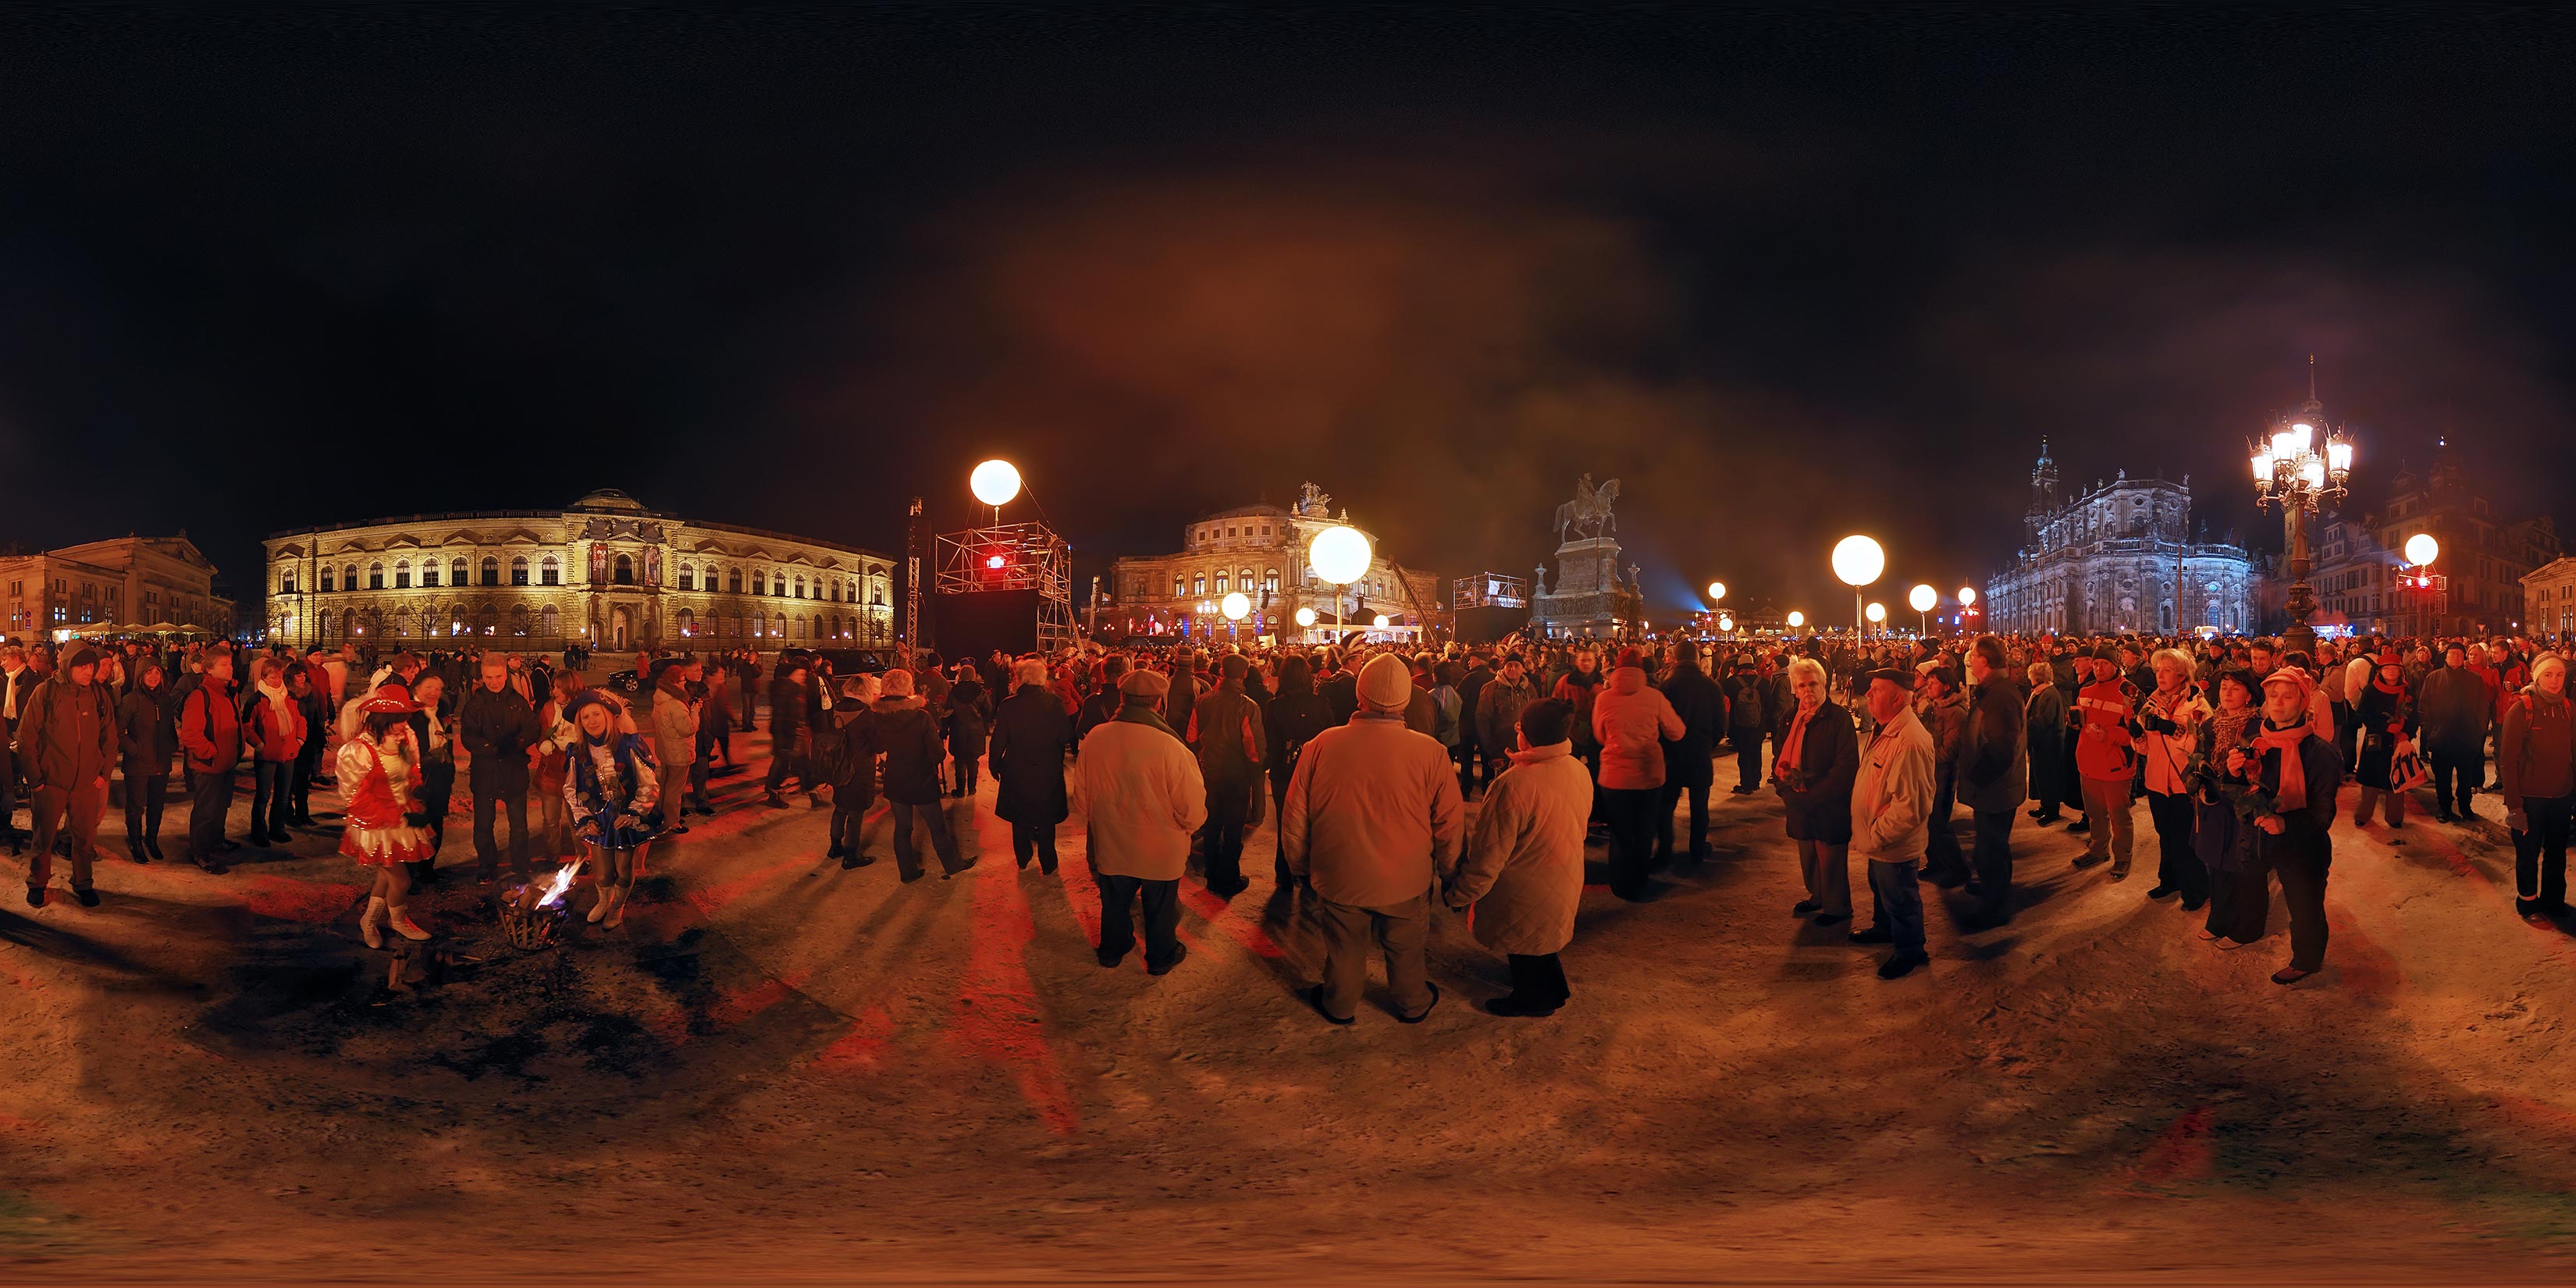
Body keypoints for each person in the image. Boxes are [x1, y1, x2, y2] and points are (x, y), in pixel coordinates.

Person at [1283, 653, 1464, 1024]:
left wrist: (1300, 866)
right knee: (1407, 949)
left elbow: (1295, 815)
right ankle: (1413, 1002)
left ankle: (1340, 1003)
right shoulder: (1431, 752)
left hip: (1339, 872)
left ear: (1360, 695)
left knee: (1344, 949)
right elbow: (1448, 822)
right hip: (1406, 875)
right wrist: (1449, 871)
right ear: (1405, 700)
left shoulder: (1321, 744)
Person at [1446, 698, 1591, 1016]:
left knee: (1526, 944)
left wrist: (1460, 894)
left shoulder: (1514, 784)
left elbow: (1489, 855)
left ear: (1525, 735)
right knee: (1539, 940)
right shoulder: (1577, 769)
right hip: (1562, 870)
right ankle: (1554, 990)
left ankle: (1533, 1000)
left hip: (1525, 885)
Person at [1078, 668, 1206, 973]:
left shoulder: (1096, 737)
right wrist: (1189, 828)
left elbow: (1082, 798)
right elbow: (1191, 807)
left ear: (1123, 698)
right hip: (1160, 848)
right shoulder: (1170, 746)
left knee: (1114, 903)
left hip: (1113, 842)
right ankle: (1160, 957)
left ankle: (1113, 949)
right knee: (1160, 907)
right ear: (1158, 703)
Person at [2242, 669, 2346, 985]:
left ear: (2303, 702)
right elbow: (2245, 792)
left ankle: (2307, 959)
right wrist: (2232, 776)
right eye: (2273, 695)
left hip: (2303, 848)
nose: (2278, 703)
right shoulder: (2257, 742)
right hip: (2260, 840)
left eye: (2288, 696)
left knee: (2305, 908)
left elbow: (2322, 816)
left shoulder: (2322, 754)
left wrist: (2285, 822)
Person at [1849, 668, 1937, 978]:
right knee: (1881, 889)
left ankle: (1910, 951)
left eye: (1876, 689)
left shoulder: (1909, 741)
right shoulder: (1884, 728)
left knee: (1900, 898)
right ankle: (1883, 929)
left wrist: (1875, 836)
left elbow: (1911, 807)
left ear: (1898, 697)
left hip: (1892, 844)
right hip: (1879, 841)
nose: (1868, 694)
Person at [16, 645, 118, 907]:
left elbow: (110, 738)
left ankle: (83, 882)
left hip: (87, 784)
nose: (89, 671)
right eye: (81, 666)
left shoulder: (97, 694)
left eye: (91, 666)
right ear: (67, 665)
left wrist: (103, 774)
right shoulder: (46, 692)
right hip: (51, 783)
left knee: (84, 839)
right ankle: (38, 882)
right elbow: (26, 738)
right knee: (44, 838)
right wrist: (36, 780)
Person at [337, 685, 436, 946]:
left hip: (402, 815)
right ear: (382, 720)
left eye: (405, 717)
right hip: (375, 824)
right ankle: (398, 921)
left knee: (386, 876)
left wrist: (417, 788)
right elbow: (355, 799)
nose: (404, 724)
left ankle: (368, 922)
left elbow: (412, 769)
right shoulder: (358, 750)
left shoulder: (405, 737)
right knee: (401, 881)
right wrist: (401, 818)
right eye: (398, 719)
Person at [562, 692, 661, 929]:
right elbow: (571, 789)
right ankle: (604, 901)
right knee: (603, 873)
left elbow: (648, 783)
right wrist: (584, 818)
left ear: (608, 716)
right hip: (599, 820)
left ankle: (618, 907)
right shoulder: (577, 752)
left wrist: (633, 813)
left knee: (624, 870)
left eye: (596, 714)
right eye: (585, 717)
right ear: (580, 722)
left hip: (625, 819)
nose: (592, 721)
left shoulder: (629, 744)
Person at [1593, 645, 1683, 900]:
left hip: (1614, 775)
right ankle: (1639, 881)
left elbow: (1600, 736)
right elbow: (1677, 731)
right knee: (1644, 830)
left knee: (1620, 832)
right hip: (1648, 775)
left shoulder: (1604, 698)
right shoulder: (1654, 697)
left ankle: (1620, 883)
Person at [1774, 656, 1859, 926]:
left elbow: (1845, 766)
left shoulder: (1839, 718)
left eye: (1813, 684)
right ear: (1795, 689)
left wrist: (1814, 798)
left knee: (1830, 857)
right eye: (1802, 686)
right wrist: (1786, 791)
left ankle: (1837, 907)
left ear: (1824, 685)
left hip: (1828, 803)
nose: (1807, 690)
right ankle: (1817, 896)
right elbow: (1780, 757)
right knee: (1808, 855)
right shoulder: (1790, 718)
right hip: (1798, 800)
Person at [2189, 667, 2266, 948]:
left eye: (2235, 688)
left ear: (2249, 695)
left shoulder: (2257, 728)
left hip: (2243, 808)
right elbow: (2199, 760)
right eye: (2224, 688)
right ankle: (2219, 918)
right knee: (2218, 863)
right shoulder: (2210, 725)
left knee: (2244, 866)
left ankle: (2248, 926)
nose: (2228, 693)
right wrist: (2199, 781)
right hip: (2215, 806)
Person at [1955, 638, 2028, 924]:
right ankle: (1991, 887)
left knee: (1993, 847)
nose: (1970, 660)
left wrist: (1975, 776)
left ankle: (1996, 905)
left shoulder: (2000, 696)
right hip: (1994, 787)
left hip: (1996, 788)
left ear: (1984, 661)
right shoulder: (1994, 691)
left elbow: (2001, 750)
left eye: (1973, 655)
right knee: (1990, 844)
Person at [871, 669, 966, 881]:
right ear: (907, 688)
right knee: (937, 825)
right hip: (921, 778)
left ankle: (907, 872)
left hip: (896, 778)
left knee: (902, 828)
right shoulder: (921, 717)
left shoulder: (878, 716)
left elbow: (877, 746)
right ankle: (952, 864)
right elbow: (937, 754)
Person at [2137, 647, 2210, 909]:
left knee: (2185, 840)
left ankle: (2196, 888)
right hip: (2157, 781)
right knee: (2164, 836)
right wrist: (2137, 736)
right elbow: (2144, 749)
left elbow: (2201, 743)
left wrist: (2174, 729)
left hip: (2183, 783)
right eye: (2158, 670)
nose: (2160, 675)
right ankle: (2169, 880)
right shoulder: (2150, 704)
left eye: (2167, 670)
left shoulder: (2197, 705)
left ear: (2181, 675)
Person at [2500, 653, 2572, 920]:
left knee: (2556, 853)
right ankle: (2528, 900)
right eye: (2548, 675)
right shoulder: (2522, 709)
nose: (2555, 681)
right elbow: (2507, 760)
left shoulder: (2569, 708)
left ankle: (2553, 901)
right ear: (2537, 677)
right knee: (2528, 853)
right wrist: (2515, 806)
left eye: (2560, 674)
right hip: (2530, 798)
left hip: (2562, 796)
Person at [1187, 653, 1266, 897]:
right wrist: (1256, 772)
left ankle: (1211, 874)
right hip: (1236, 776)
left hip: (1209, 771)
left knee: (1212, 824)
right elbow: (1254, 749)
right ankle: (1229, 878)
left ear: (1221, 671)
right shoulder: (1247, 706)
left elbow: (1191, 737)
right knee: (1233, 829)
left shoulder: (1203, 701)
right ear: (1243, 674)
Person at [459, 654, 542, 882]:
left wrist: (517, 743)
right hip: (485, 773)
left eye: (498, 676)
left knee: (519, 825)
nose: (494, 682)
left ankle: (521, 863)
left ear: (505, 675)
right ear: (482, 677)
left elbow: (532, 728)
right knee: (484, 825)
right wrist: (491, 748)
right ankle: (487, 864)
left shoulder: (518, 701)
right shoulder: (475, 705)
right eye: (489, 677)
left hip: (513, 772)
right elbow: (468, 736)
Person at [991, 659, 1073, 875]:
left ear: (1020, 679)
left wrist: (994, 765)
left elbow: (998, 740)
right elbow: (1066, 735)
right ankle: (1048, 861)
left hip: (1017, 769)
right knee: (1046, 817)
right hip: (1047, 769)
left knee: (1019, 817)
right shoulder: (1054, 703)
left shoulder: (1008, 705)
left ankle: (1023, 857)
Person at [2072, 646, 2142, 879]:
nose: (2098, 669)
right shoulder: (2086, 690)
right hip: (2088, 763)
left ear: (2115, 665)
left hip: (2116, 766)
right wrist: (2074, 721)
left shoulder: (2130, 692)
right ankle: (2098, 850)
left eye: (2104, 664)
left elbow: (2138, 733)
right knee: (2094, 813)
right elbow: (2082, 721)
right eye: (2095, 664)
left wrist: (2110, 736)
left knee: (2119, 817)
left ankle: (2122, 858)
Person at [1654, 640, 1726, 866]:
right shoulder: (1712, 686)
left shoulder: (1666, 686)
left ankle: (1665, 850)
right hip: (1699, 753)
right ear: (1697, 659)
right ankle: (1697, 850)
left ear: (1675, 658)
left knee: (1666, 806)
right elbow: (1720, 725)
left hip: (1672, 755)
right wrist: (1708, 744)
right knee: (1699, 805)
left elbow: (1659, 723)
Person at [1264, 653, 1330, 885]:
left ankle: (1283, 874)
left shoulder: (1274, 706)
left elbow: (1269, 743)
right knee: (1311, 821)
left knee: (1285, 821)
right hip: (1313, 770)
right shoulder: (1319, 702)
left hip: (1283, 771)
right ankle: (1309, 873)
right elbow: (1328, 736)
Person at [176, 649, 241, 874]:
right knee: (205, 811)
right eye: (223, 665)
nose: (229, 668)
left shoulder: (229, 693)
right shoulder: (200, 696)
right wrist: (212, 752)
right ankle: (200, 851)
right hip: (209, 765)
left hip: (227, 762)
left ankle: (216, 841)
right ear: (209, 669)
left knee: (221, 807)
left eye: (230, 664)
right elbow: (191, 734)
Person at [2418, 643, 2489, 824]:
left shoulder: (2474, 679)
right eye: (2452, 654)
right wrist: (2430, 731)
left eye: (2459, 654)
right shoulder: (2434, 678)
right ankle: (2445, 807)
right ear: (2446, 657)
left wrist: (2479, 731)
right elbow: (2424, 708)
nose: (2456, 657)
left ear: (2464, 657)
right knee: (2443, 778)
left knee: (2465, 778)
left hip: (2467, 739)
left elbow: (2483, 708)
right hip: (2442, 738)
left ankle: (2465, 806)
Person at [242, 656, 308, 849]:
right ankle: (259, 832)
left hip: (288, 753)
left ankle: (277, 829)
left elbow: (300, 721)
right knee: (263, 796)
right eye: (273, 677)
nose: (277, 681)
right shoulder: (257, 700)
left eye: (279, 676)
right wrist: (260, 745)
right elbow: (247, 726)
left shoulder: (291, 698)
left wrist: (299, 741)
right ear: (264, 677)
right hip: (267, 756)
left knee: (283, 795)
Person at [117, 659, 177, 863]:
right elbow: (118, 731)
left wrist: (172, 745)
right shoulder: (131, 699)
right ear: (140, 676)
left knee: (156, 804)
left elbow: (169, 727)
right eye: (149, 673)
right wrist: (134, 749)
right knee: (136, 806)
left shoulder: (166, 700)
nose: (153, 677)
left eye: (157, 673)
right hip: (138, 763)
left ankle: (152, 839)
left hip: (162, 762)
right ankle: (136, 842)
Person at [821, 674, 882, 868]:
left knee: (840, 808)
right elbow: (878, 746)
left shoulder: (836, 708)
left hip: (839, 765)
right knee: (856, 813)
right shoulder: (866, 714)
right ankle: (851, 856)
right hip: (860, 769)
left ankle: (834, 847)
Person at [2352, 648, 2416, 830]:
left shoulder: (2406, 690)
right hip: (2376, 743)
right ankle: (2363, 815)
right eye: (2387, 668)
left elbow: (2415, 715)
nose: (2391, 672)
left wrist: (2407, 733)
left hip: (2398, 742)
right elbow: (2363, 714)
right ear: (2379, 671)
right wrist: (2385, 726)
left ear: (2400, 671)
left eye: (2395, 669)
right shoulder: (2372, 690)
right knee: (2370, 782)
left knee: (2397, 780)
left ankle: (2395, 817)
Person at [646, 658, 700, 835]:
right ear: (674, 683)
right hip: (679, 752)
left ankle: (663, 815)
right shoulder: (676, 704)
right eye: (682, 681)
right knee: (675, 791)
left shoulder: (660, 698)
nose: (685, 684)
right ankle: (672, 822)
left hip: (666, 749)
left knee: (667, 786)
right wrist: (694, 711)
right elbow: (689, 729)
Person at [1474, 654, 1539, 788]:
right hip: (1501, 751)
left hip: (1525, 751)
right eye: (1509, 665)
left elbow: (1536, 715)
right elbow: (1482, 720)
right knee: (1501, 790)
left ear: (1523, 669)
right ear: (1504, 668)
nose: (1513, 669)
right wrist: (1491, 751)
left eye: (1517, 665)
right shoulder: (1491, 688)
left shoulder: (1529, 688)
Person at [288, 667, 331, 827]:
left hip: (308, 742)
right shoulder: (288, 695)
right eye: (298, 675)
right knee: (289, 782)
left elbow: (316, 715)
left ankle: (303, 813)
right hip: (293, 742)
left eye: (304, 674)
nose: (302, 677)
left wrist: (319, 735)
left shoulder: (309, 693)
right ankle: (288, 814)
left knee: (303, 782)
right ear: (291, 678)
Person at [946, 661, 993, 797]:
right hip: (976, 732)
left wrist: (944, 729)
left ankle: (960, 790)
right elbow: (988, 711)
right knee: (973, 760)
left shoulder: (954, 692)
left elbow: (947, 712)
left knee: (959, 761)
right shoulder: (981, 692)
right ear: (973, 676)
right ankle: (972, 789)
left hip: (957, 731)